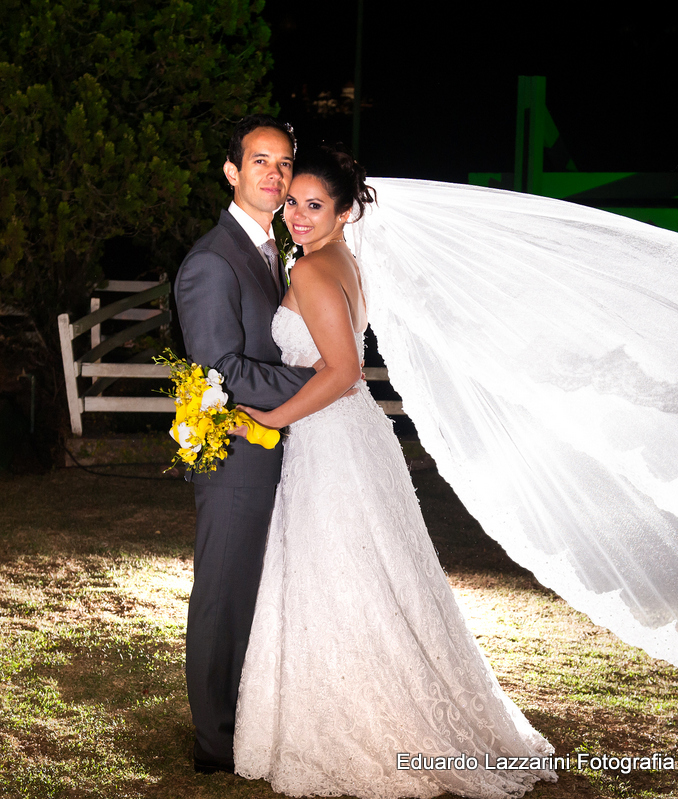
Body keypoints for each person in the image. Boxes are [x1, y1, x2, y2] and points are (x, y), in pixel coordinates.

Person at [231, 145, 558, 798]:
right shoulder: (340, 261)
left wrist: (271, 420)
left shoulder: (314, 274)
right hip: (352, 438)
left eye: (313, 205)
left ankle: (357, 723)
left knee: (341, 574)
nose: (295, 213)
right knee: (368, 573)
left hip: (332, 441)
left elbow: (343, 373)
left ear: (345, 211)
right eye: (291, 200)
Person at [173, 115, 316, 774]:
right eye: (261, 160)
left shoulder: (275, 251)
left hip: (271, 451)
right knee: (224, 594)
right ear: (232, 171)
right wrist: (319, 381)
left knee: (254, 592)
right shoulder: (211, 259)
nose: (275, 174)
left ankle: (246, 716)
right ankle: (213, 740)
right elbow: (223, 370)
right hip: (235, 458)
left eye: (285, 163)